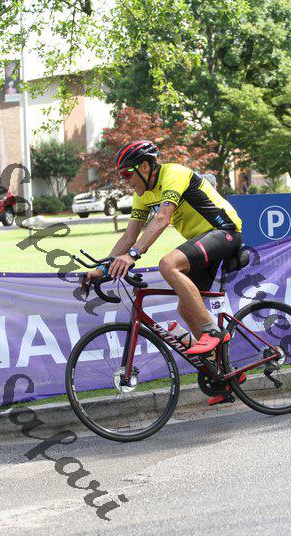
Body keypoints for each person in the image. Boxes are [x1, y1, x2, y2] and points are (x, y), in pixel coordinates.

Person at [86, 140, 243, 402]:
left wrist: (133, 255)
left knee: (168, 264)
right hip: (202, 240)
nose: (125, 181)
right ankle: (225, 376)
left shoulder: (174, 174)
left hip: (224, 231)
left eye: (127, 173)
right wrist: (102, 269)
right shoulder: (143, 195)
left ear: (144, 167)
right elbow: (130, 235)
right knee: (185, 309)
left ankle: (212, 331)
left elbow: (162, 219)